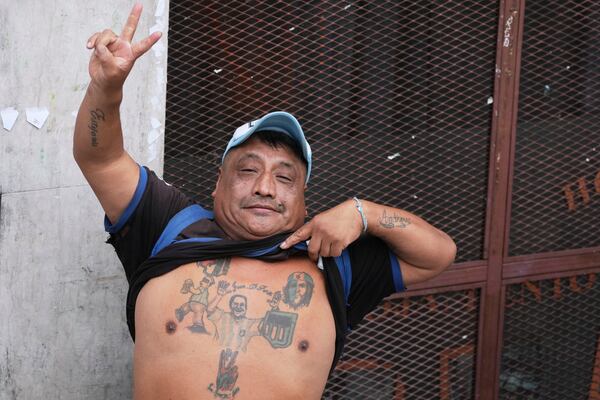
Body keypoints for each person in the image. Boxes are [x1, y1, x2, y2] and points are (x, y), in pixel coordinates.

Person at [74, 4, 456, 399]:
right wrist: (106, 90)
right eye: (248, 170)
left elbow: (438, 254)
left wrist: (366, 214)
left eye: (285, 177)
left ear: (305, 202)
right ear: (217, 185)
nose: (266, 188)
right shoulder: (169, 226)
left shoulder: (333, 261)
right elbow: (100, 159)